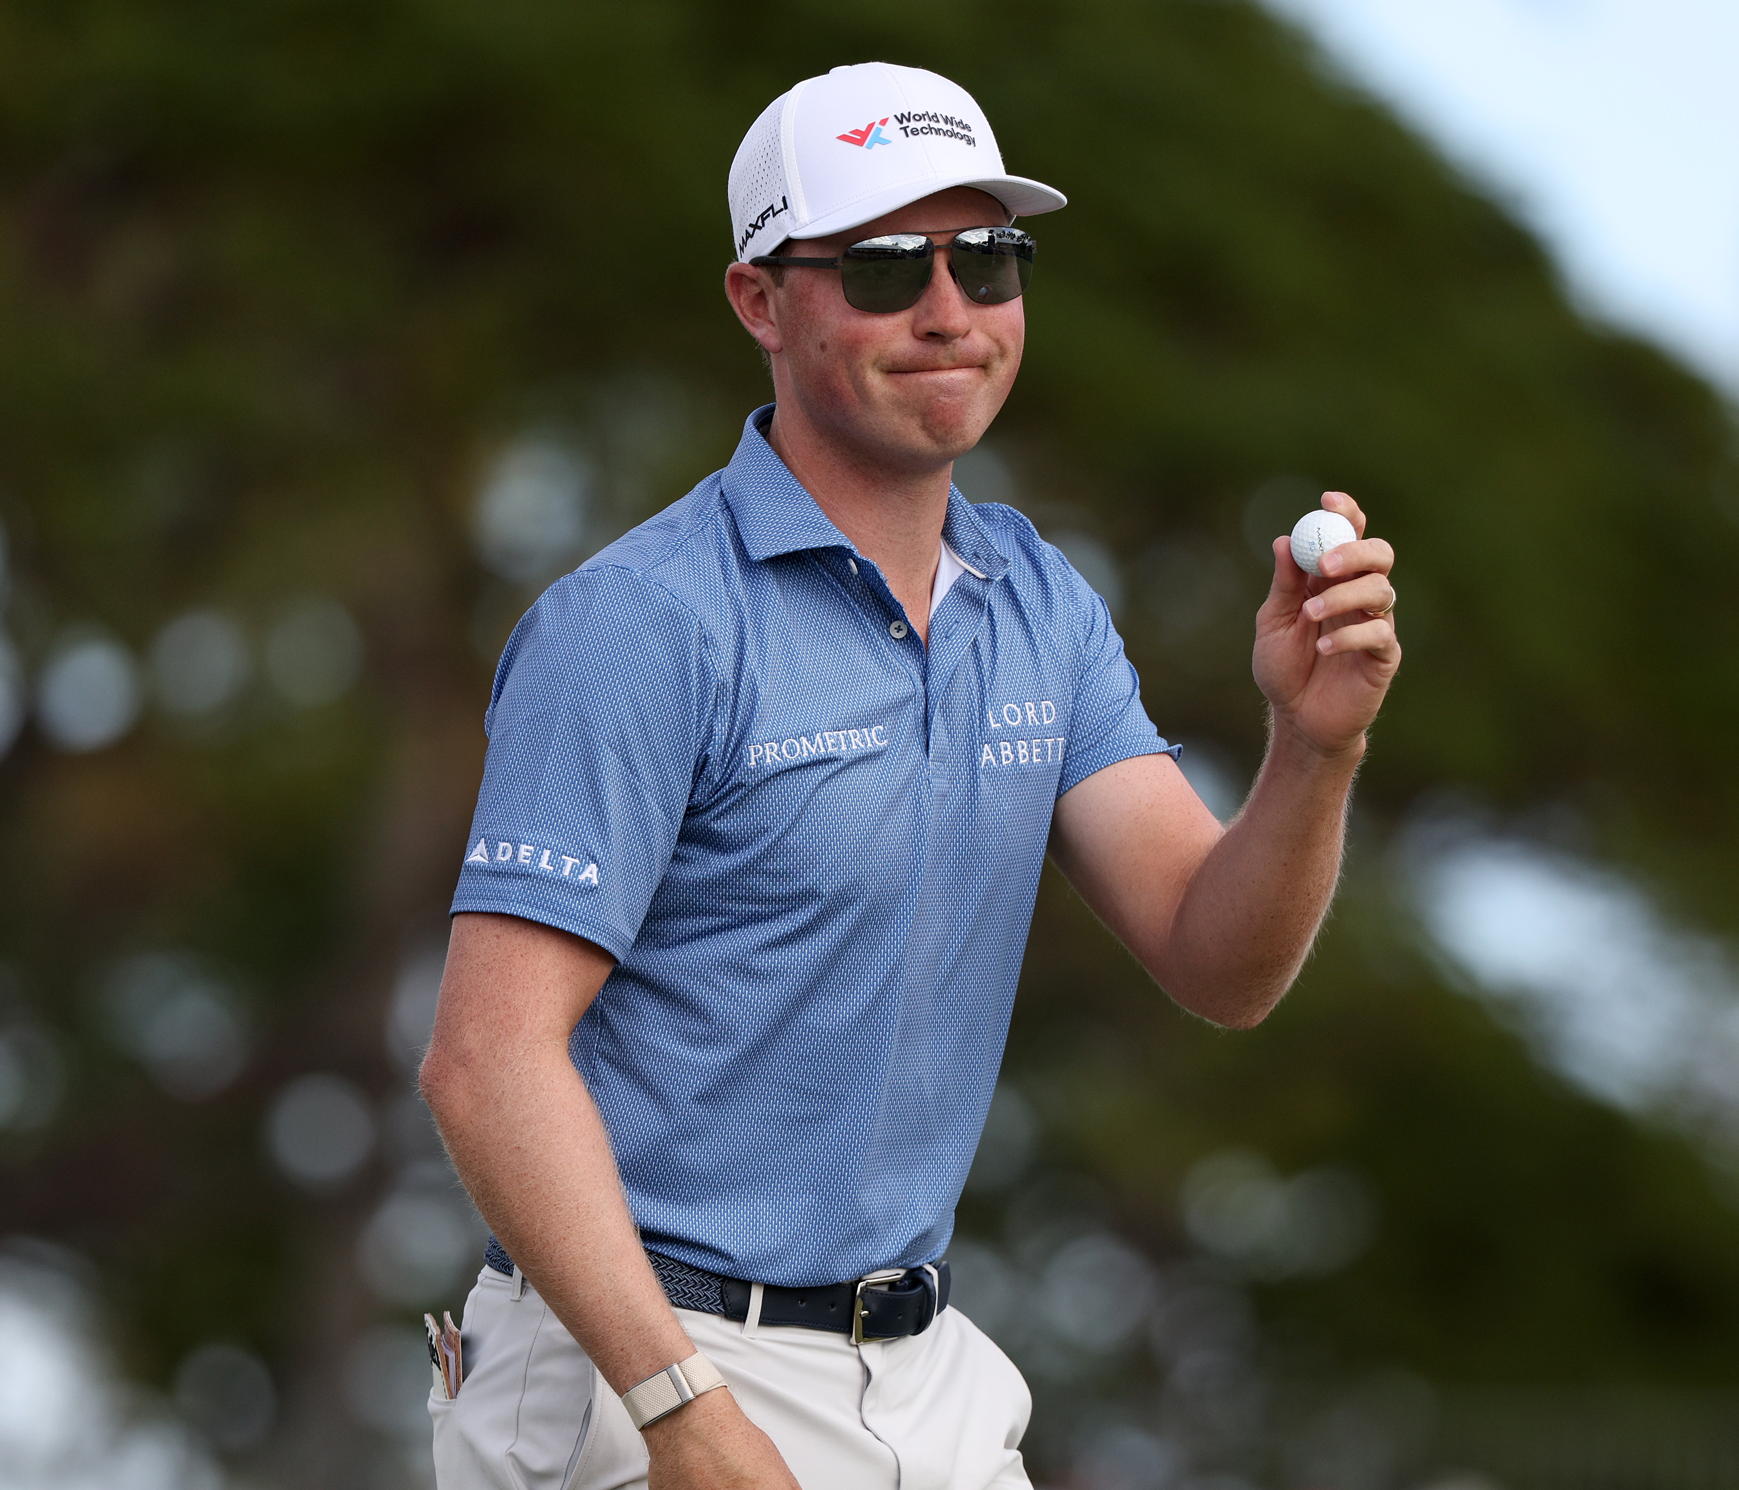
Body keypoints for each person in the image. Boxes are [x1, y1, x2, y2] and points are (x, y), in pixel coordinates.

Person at [418, 60, 1399, 1490]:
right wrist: (680, 1406)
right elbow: (486, 1060)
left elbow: (1219, 960)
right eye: (884, 269)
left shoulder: (1038, 600)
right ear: (761, 300)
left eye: (985, 259)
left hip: (922, 1378)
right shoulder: (639, 622)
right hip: (640, 1362)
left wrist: (1314, 748)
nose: (948, 311)